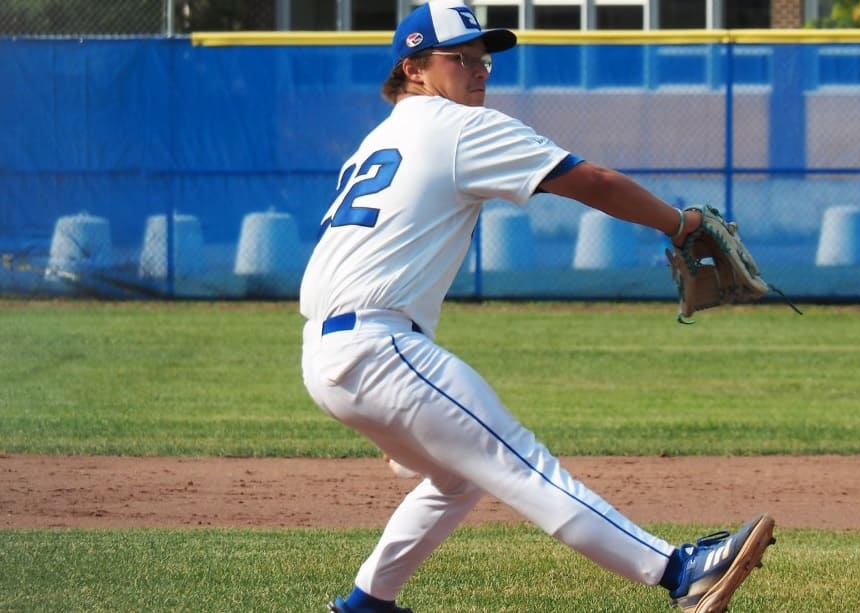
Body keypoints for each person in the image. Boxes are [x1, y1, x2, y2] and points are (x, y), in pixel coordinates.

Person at [299, 2, 775, 611]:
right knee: (521, 463)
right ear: (414, 67)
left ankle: (368, 603)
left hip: (328, 353)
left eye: (484, 58)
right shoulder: (457, 127)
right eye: (460, 58)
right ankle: (680, 571)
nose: (479, 69)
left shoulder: (375, 142)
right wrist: (678, 223)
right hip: (380, 348)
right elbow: (593, 181)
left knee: (459, 478)